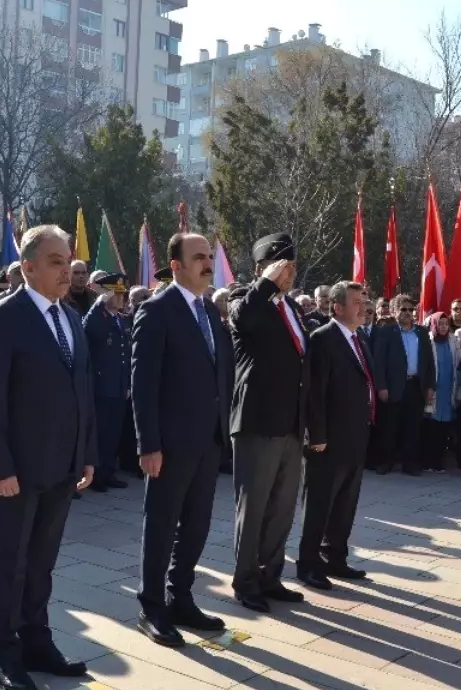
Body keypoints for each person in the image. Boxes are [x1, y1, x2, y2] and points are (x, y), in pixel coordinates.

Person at [0, 224, 96, 690]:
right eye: (54, 261)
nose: (66, 270)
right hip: (19, 469)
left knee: (42, 562)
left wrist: (87, 453)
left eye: (68, 261)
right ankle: (6, 652)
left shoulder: (70, 318)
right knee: (10, 562)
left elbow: (81, 391)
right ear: (27, 267)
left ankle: (38, 642)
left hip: (63, 465)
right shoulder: (4, 317)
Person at [131, 233, 232, 646]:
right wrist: (148, 443)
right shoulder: (157, 311)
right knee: (161, 524)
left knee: (197, 524)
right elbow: (143, 382)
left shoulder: (209, 309)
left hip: (207, 439)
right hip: (170, 443)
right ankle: (152, 606)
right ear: (175, 265)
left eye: (209, 257)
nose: (208, 264)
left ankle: (181, 597)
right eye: (199, 258)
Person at [228, 232, 309, 613]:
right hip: (258, 422)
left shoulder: (293, 308)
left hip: (291, 423)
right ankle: (246, 581)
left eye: (293, 267)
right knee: (255, 506)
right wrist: (265, 283)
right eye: (284, 266)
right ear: (263, 267)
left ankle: (270, 575)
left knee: (282, 508)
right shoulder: (244, 298)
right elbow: (243, 320)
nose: (290, 273)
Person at [298, 280, 373, 590]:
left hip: (354, 435)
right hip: (327, 439)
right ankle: (309, 564)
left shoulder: (359, 339)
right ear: (337, 307)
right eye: (357, 302)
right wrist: (317, 434)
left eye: (364, 301)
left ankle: (336, 558)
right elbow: (314, 392)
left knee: (345, 503)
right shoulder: (323, 339)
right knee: (320, 504)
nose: (363, 307)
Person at [371, 293, 434, 475]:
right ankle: (385, 462)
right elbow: (379, 362)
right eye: (403, 309)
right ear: (394, 311)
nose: (407, 313)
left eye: (410, 309)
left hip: (416, 386)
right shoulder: (386, 332)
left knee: (412, 427)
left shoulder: (421, 333)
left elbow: (429, 362)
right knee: (389, 426)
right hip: (392, 387)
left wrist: (430, 386)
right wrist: (381, 386)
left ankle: (410, 464)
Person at [81, 273, 132, 493]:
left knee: (113, 432)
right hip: (102, 386)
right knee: (100, 433)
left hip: (119, 386)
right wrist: (98, 304)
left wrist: (127, 383)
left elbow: (126, 355)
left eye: (122, 293)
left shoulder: (120, 319)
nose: (120, 298)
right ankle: (98, 475)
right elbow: (89, 330)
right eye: (115, 293)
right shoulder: (97, 318)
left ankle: (109, 471)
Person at [423, 312, 460, 472]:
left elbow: (458, 361)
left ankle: (438, 462)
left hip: (448, 389)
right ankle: (428, 461)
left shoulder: (453, 340)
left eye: (446, 324)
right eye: (440, 324)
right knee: (431, 427)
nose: (443, 327)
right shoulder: (428, 340)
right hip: (433, 388)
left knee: (443, 428)